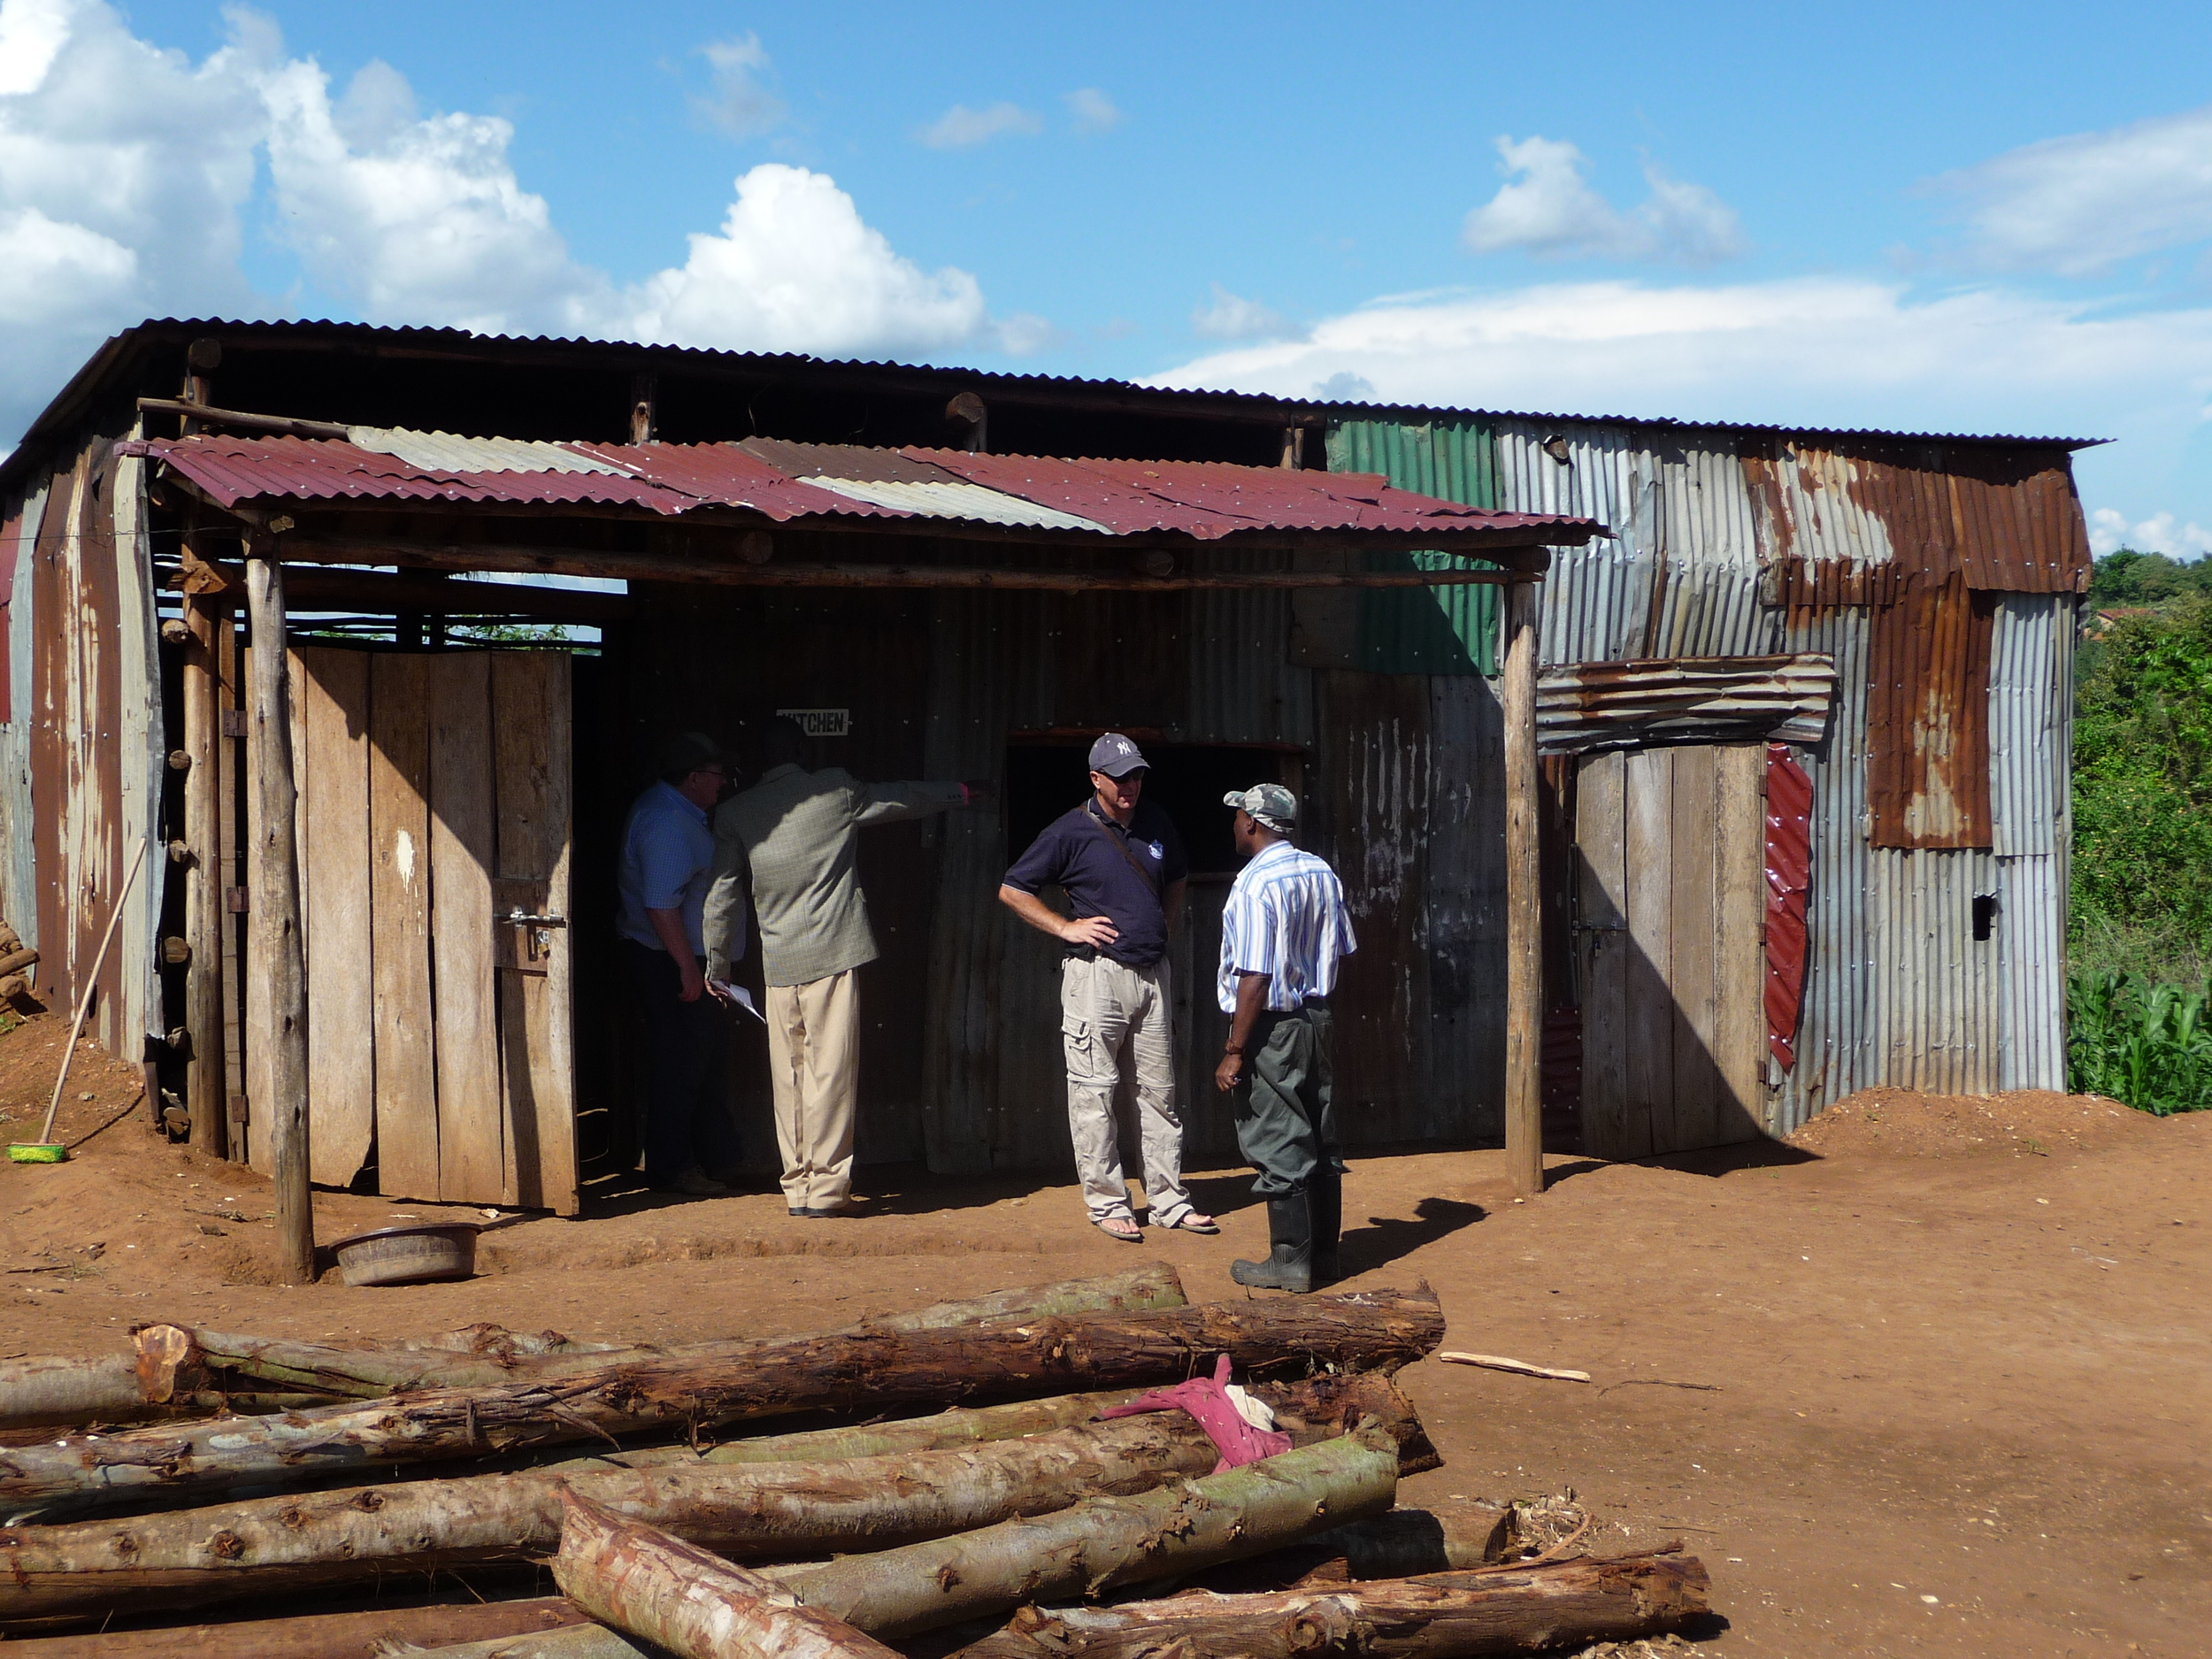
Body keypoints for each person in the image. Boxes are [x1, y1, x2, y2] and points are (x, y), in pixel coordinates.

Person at [705, 718, 992, 1218]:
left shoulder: (736, 812)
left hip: (777, 964)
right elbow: (902, 797)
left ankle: (796, 1188)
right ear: (800, 750)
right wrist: (962, 791)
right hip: (832, 955)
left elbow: (721, 896)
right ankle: (828, 1191)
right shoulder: (833, 790)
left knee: (788, 1078)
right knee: (831, 1074)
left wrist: (718, 963)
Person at [998, 733, 1218, 1242]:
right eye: (1120, 778)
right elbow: (1013, 888)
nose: (1131, 786)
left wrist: (1163, 925)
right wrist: (1065, 927)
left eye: (1137, 776)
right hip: (1096, 976)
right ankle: (1108, 1203)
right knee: (1094, 1093)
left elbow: (1178, 875)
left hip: (1152, 974)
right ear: (1096, 780)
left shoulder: (1156, 819)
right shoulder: (1068, 831)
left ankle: (1168, 1200)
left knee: (1160, 1093)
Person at [1213, 783, 1357, 1293]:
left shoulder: (1254, 884)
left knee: (1277, 1137)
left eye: (1237, 817)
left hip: (1272, 1026)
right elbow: (1339, 947)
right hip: (1316, 1017)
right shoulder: (1321, 871)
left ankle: (1289, 1262)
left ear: (1253, 823)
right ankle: (1325, 1256)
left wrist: (1235, 1050)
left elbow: (1254, 976)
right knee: (1320, 1132)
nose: (1234, 824)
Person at [617, 731, 743, 1197]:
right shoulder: (668, 823)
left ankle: (716, 1159)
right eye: (717, 775)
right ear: (694, 778)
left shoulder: (682, 813)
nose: (724, 783)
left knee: (702, 1060)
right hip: (669, 960)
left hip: (680, 957)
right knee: (680, 1064)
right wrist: (689, 970)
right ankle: (672, 1170)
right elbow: (660, 905)